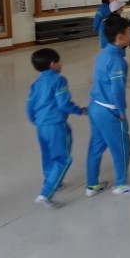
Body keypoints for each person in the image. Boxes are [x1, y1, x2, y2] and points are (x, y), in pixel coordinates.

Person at [86, 15, 130, 197]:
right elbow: (117, 90)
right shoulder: (118, 61)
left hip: (95, 107)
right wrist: (121, 111)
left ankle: (92, 185)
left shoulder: (102, 55)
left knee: (95, 147)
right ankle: (121, 184)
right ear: (120, 37)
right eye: (129, 32)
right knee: (121, 147)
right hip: (109, 111)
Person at [27, 48, 87, 209]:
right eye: (59, 61)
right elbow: (63, 103)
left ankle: (53, 181)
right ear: (53, 64)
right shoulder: (59, 80)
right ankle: (46, 194)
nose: (62, 64)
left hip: (41, 126)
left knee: (47, 156)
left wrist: (35, 121)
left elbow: (30, 106)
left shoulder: (35, 84)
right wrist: (80, 111)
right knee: (62, 159)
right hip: (57, 126)